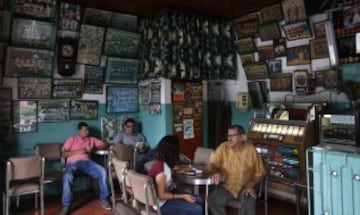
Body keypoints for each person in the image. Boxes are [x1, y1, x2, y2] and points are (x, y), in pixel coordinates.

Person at [208, 125, 266, 215]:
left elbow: (261, 172)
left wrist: (251, 184)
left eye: (232, 136)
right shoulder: (223, 147)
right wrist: (216, 173)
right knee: (213, 201)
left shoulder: (251, 150)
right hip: (227, 186)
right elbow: (213, 164)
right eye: (228, 136)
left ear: (242, 137)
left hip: (245, 187)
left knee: (249, 204)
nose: (229, 139)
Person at [60, 122, 112, 215]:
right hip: (73, 163)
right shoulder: (72, 139)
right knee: (67, 176)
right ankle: (66, 206)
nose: (87, 132)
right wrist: (79, 151)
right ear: (79, 131)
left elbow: (105, 145)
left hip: (88, 163)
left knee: (102, 171)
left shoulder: (91, 139)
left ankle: (104, 199)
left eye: (88, 130)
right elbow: (63, 154)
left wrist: (94, 149)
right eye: (85, 130)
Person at [148, 135, 203, 215]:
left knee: (198, 199)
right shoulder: (162, 172)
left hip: (163, 198)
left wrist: (179, 171)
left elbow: (167, 173)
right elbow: (161, 195)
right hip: (160, 204)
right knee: (197, 209)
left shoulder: (159, 163)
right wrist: (183, 196)